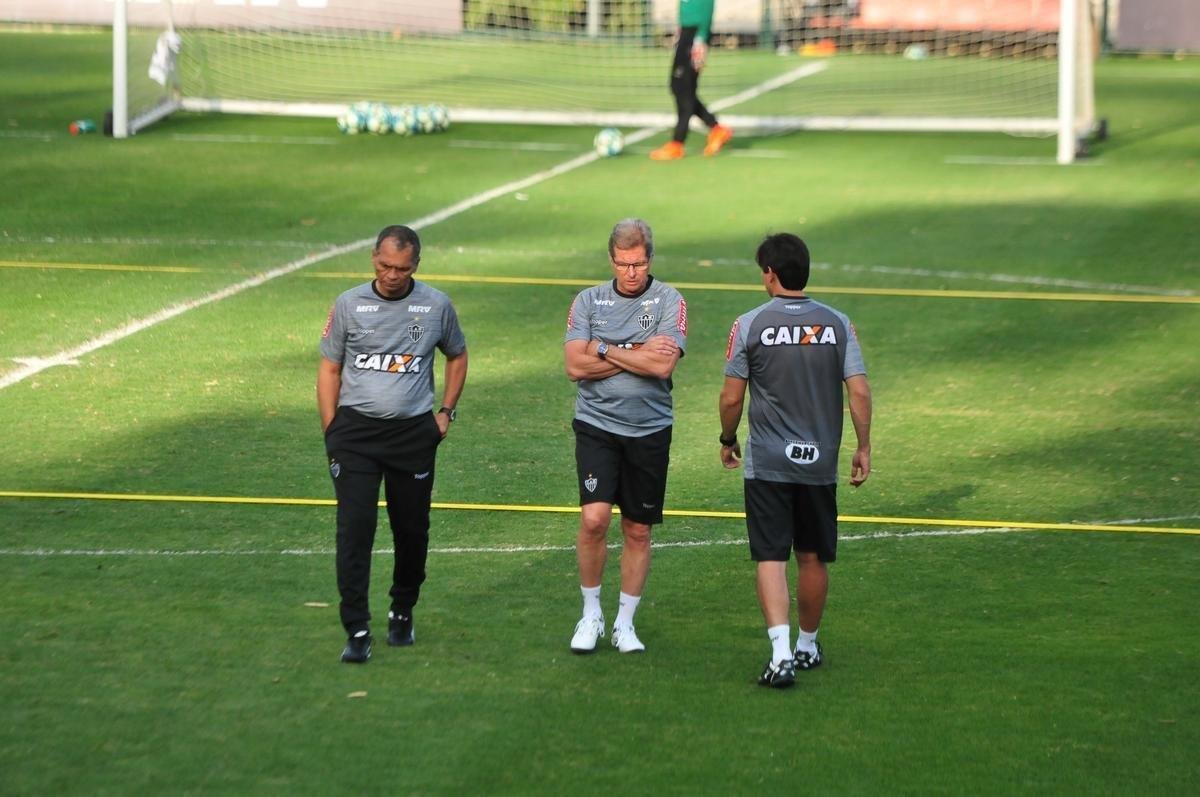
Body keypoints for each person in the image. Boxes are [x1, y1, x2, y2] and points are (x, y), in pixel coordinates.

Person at [718, 232, 871, 688]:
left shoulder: (749, 324)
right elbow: (859, 390)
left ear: (770, 273)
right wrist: (863, 446)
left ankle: (780, 654)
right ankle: (807, 645)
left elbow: (731, 397)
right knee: (811, 557)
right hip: (819, 463)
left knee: (770, 555)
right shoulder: (839, 323)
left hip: (768, 462)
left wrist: (727, 437)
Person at [317, 225, 468, 664]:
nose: (391, 275)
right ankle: (357, 627)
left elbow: (457, 354)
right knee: (355, 531)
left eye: (401, 268)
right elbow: (330, 366)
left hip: (412, 436)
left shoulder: (436, 305)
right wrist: (332, 430)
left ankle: (402, 609)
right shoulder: (348, 304)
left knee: (412, 530)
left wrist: (446, 413)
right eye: (384, 265)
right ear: (372, 259)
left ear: (415, 266)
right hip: (355, 437)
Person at [563, 219, 688, 654]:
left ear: (649, 259)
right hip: (596, 425)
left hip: (649, 429)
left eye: (637, 264)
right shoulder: (588, 301)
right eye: (622, 264)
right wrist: (636, 350)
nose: (630, 272)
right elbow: (574, 367)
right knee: (594, 519)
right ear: (611, 260)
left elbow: (662, 367)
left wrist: (602, 347)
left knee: (637, 530)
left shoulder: (670, 300)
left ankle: (624, 623)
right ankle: (591, 614)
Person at [649, 0, 734, 161]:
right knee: (676, 86)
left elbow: (707, 6)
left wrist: (701, 39)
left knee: (685, 89)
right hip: (685, 32)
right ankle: (717, 129)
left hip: (696, 36)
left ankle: (677, 143)